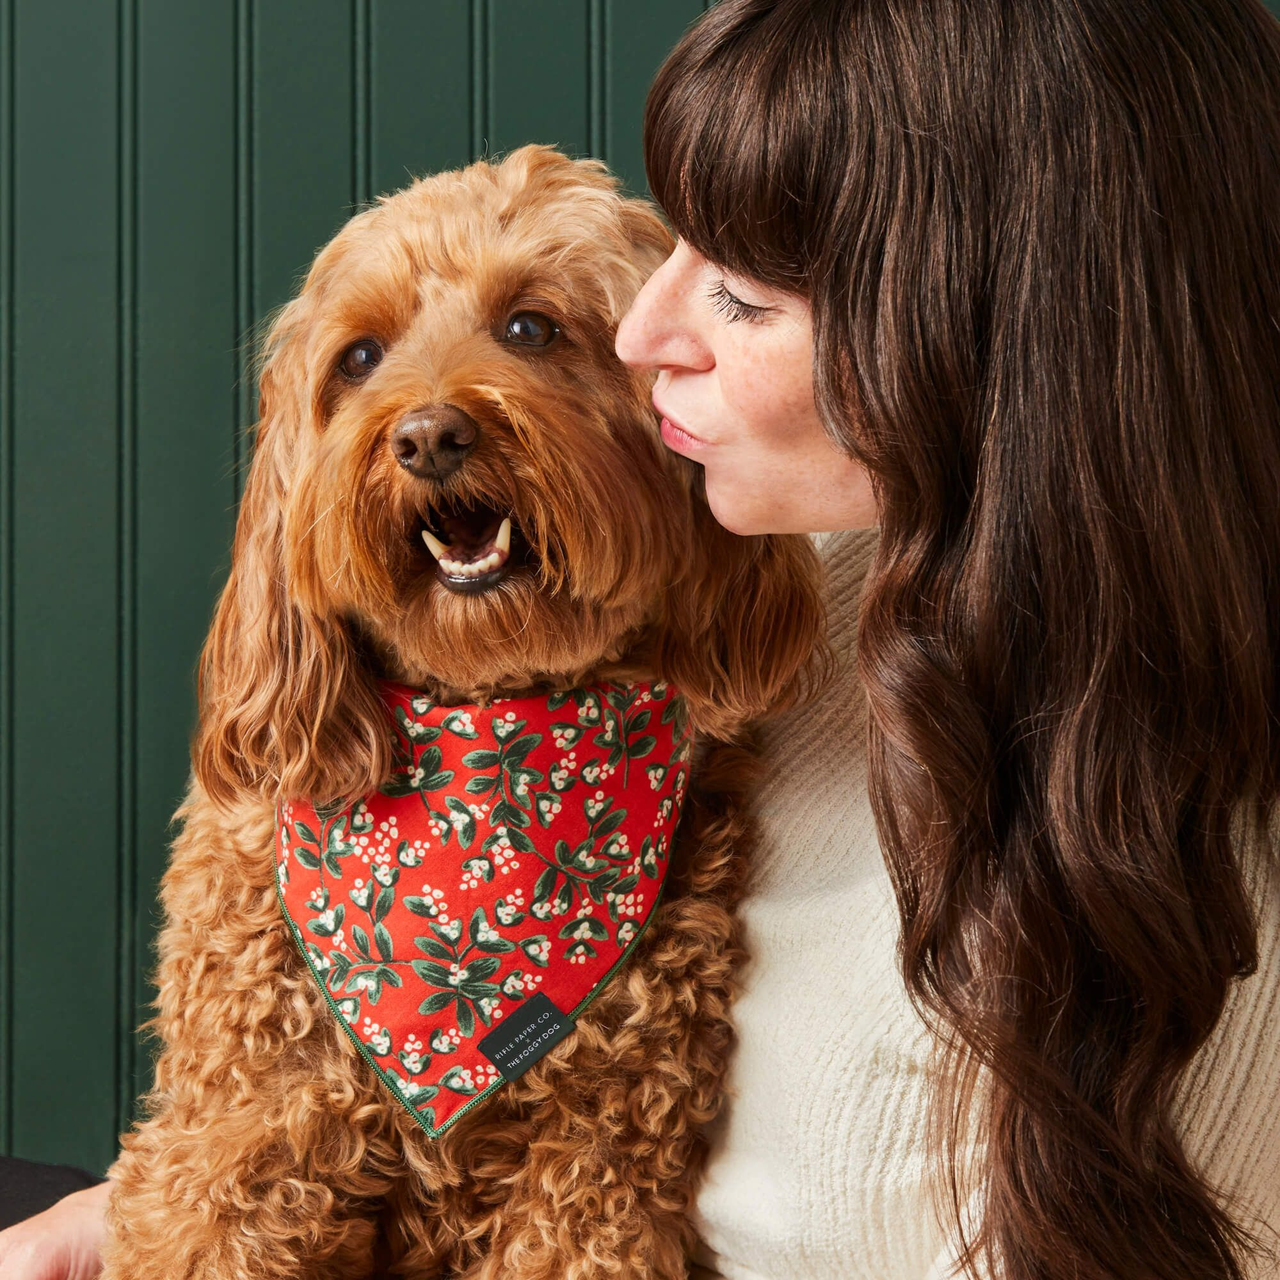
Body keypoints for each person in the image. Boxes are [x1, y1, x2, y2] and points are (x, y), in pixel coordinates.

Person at [4, 0, 1279, 1276]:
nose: (641, 336)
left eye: (735, 287)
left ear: (985, 317)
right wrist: (140, 1213)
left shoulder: (1183, 900)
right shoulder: (800, 542)